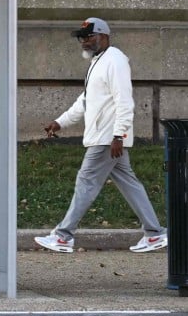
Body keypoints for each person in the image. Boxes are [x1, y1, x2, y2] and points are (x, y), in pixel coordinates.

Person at [34, 17, 167, 254]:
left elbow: (124, 101)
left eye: (89, 37)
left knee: (86, 182)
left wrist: (119, 136)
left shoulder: (115, 60)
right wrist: (60, 122)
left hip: (107, 138)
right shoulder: (99, 62)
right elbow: (84, 101)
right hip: (106, 137)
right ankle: (154, 233)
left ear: (104, 36)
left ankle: (63, 236)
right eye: (82, 38)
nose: (84, 42)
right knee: (130, 184)